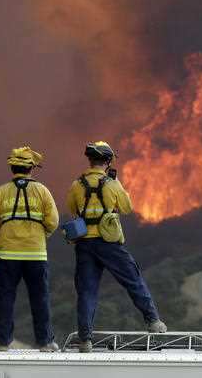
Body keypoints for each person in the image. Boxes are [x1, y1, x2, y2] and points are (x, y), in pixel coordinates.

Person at [67, 141, 166, 352]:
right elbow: (126, 207)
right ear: (107, 161)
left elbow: (72, 209)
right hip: (109, 243)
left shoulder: (77, 184)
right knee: (132, 278)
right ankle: (153, 321)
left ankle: (85, 339)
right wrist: (117, 183)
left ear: (91, 160)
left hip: (84, 244)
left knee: (86, 292)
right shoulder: (111, 184)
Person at [0, 146, 59, 352]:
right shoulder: (42, 191)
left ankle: (3, 343)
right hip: (36, 254)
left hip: (7, 255)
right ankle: (45, 343)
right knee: (40, 298)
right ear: (31, 169)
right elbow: (53, 221)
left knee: (6, 298)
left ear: (12, 168)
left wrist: (3, 232)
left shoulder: (1, 192)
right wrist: (41, 235)